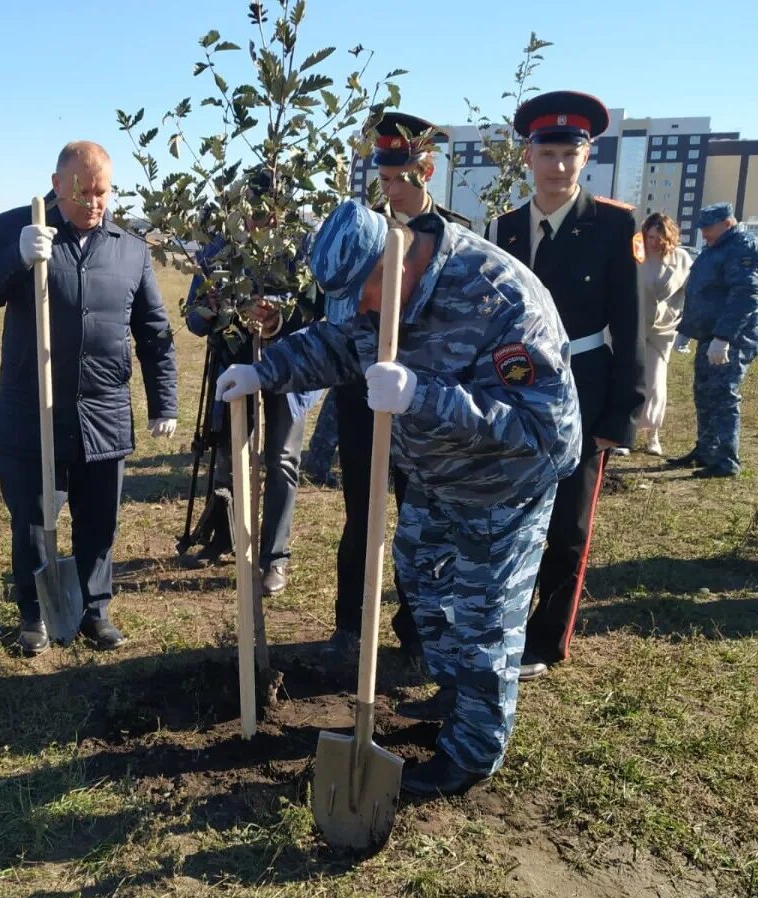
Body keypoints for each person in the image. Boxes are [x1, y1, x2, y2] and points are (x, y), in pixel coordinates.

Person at [216, 200, 580, 796]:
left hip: (502, 486)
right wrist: (268, 371)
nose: (360, 310)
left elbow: (546, 431)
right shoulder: (372, 294)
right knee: (426, 592)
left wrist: (424, 397)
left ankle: (470, 754)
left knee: (485, 620)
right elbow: (338, 344)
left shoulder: (501, 297)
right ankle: (455, 696)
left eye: (362, 295)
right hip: (434, 478)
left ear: (398, 261)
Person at [0, 141, 178, 655]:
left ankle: (94, 609)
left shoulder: (129, 247)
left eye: (103, 193)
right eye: (84, 194)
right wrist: (17, 256)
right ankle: (35, 612)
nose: (94, 204)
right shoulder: (19, 227)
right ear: (58, 185)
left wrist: (163, 402)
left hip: (102, 410)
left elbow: (153, 330)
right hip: (31, 408)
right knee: (33, 518)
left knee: (99, 518)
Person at [487, 91, 644, 680]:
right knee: (509, 513)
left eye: (568, 154)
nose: (557, 167)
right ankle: (500, 620)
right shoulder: (503, 230)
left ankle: (545, 640)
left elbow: (629, 327)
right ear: (527, 156)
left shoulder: (612, 225)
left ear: (587, 157)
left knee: (568, 525)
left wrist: (620, 416)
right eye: (546, 153)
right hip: (515, 391)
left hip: (585, 387)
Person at [324, 111, 472, 663]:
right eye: (382, 179)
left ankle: (416, 628)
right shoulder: (363, 234)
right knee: (362, 513)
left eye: (399, 178)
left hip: (424, 404)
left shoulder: (456, 236)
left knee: (421, 518)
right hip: (364, 397)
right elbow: (339, 313)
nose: (388, 191)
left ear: (426, 170)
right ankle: (350, 626)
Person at [182, 171, 320, 595]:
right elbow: (192, 316)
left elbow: (317, 308)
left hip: (290, 369)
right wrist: (209, 309)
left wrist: (277, 315)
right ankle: (225, 536)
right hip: (234, 366)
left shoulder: (304, 245)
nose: (260, 221)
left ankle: (274, 557)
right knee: (228, 457)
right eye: (252, 212)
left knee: (281, 460)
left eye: (268, 213)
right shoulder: (221, 247)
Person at [667, 203, 758, 478]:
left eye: (708, 228)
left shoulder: (745, 248)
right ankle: (706, 450)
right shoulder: (715, 249)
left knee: (724, 395)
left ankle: (726, 460)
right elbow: (701, 292)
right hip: (708, 335)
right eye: (701, 228)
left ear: (727, 223)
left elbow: (746, 295)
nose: (703, 234)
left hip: (733, 338)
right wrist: (687, 329)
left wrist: (723, 337)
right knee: (704, 393)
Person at [636, 213, 692, 455]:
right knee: (629, 379)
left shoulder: (681, 259)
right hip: (633, 325)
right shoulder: (636, 255)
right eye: (649, 237)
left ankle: (653, 435)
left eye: (659, 238)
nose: (653, 242)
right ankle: (626, 432)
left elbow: (690, 293)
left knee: (656, 382)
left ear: (668, 238)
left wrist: (686, 329)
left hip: (663, 329)